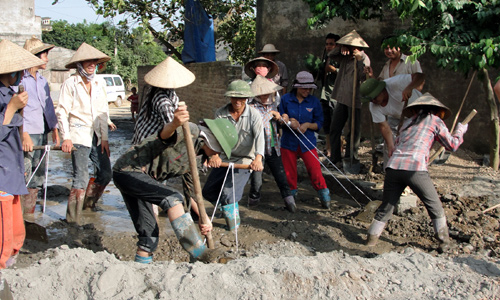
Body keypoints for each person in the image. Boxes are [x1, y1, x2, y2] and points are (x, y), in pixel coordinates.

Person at [113, 102, 238, 263]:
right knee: (172, 198)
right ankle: (199, 252)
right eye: (219, 149)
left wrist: (204, 217)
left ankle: (140, 273)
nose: (218, 154)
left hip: (146, 182)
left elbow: (191, 192)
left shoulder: (199, 159)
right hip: (129, 170)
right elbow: (164, 137)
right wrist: (174, 124)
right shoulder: (189, 131)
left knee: (149, 236)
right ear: (213, 141)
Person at [366, 93, 468, 251]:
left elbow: (398, 144)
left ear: (415, 110)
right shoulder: (435, 121)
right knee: (435, 206)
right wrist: (460, 131)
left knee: (386, 207)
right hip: (414, 168)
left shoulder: (407, 123)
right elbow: (452, 145)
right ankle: (444, 243)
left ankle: (371, 241)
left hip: (393, 167)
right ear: (436, 110)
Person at [0, 40, 45, 269]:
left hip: (11, 169)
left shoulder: (10, 92)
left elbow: (15, 131)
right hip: (2, 173)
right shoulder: (4, 98)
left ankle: (10, 261)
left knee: (16, 231)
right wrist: (11, 108)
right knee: (4, 234)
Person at [56, 42, 112, 224]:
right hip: (78, 133)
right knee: (80, 177)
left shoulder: (99, 83)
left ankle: (88, 205)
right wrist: (66, 137)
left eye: (94, 62)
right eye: (87, 62)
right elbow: (62, 111)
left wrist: (104, 138)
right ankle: (72, 218)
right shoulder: (70, 83)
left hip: (96, 134)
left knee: (105, 173)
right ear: (79, 64)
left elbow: (103, 111)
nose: (91, 65)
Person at [202, 80, 264, 231]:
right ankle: (228, 208)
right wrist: (214, 155)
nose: (238, 101)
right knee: (208, 191)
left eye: (241, 98)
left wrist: (258, 158)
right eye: (234, 97)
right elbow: (215, 137)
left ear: (247, 98)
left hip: (244, 159)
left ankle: (233, 227)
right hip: (225, 157)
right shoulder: (220, 114)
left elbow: (260, 137)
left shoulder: (254, 115)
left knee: (229, 193)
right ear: (229, 97)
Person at [19, 36, 59, 215]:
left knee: (39, 173)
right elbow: (16, 110)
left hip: (43, 131)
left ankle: (29, 214)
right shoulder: (20, 80)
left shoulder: (42, 81)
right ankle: (19, 214)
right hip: (28, 132)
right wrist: (24, 133)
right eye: (44, 55)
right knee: (24, 172)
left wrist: (54, 130)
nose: (47, 59)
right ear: (34, 56)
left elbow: (49, 107)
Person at [280, 71, 331, 209]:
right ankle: (291, 199)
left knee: (315, 170)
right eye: (304, 88)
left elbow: (319, 123)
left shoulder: (314, 102)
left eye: (309, 88)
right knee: (289, 172)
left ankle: (324, 196)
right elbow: (280, 119)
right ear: (296, 86)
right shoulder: (285, 99)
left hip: (307, 142)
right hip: (288, 142)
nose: (307, 91)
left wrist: (307, 125)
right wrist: (289, 121)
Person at [248, 75, 296, 212]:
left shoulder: (274, 105)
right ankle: (253, 204)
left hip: (274, 148)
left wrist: (281, 117)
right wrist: (271, 115)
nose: (264, 95)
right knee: (257, 182)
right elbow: (257, 123)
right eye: (261, 93)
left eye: (267, 93)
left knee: (281, 177)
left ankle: (291, 204)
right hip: (257, 151)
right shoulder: (251, 107)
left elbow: (284, 122)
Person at [360, 73, 425, 168]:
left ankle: (413, 169)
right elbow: (384, 127)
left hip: (418, 111)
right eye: (371, 100)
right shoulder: (373, 106)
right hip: (396, 116)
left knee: (412, 143)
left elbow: (420, 76)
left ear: (381, 90)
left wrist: (410, 87)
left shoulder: (396, 83)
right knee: (388, 147)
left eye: (375, 97)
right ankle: (390, 171)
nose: (373, 101)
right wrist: (391, 146)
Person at [328, 30, 371, 167]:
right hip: (341, 97)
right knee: (335, 128)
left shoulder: (364, 58)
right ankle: (335, 158)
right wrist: (342, 48)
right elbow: (331, 54)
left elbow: (363, 77)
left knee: (353, 132)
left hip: (355, 100)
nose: (351, 49)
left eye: (352, 46)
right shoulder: (345, 56)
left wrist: (359, 60)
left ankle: (351, 158)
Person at [132, 57, 195, 145]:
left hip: (143, 135)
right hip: (149, 141)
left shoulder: (159, 90)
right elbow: (172, 126)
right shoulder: (163, 102)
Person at [318, 33, 340, 157]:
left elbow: (345, 73)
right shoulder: (325, 57)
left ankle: (338, 149)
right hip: (325, 94)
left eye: (331, 44)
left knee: (335, 125)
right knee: (327, 124)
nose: (328, 46)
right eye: (327, 44)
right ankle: (329, 149)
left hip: (335, 94)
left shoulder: (340, 58)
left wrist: (334, 70)